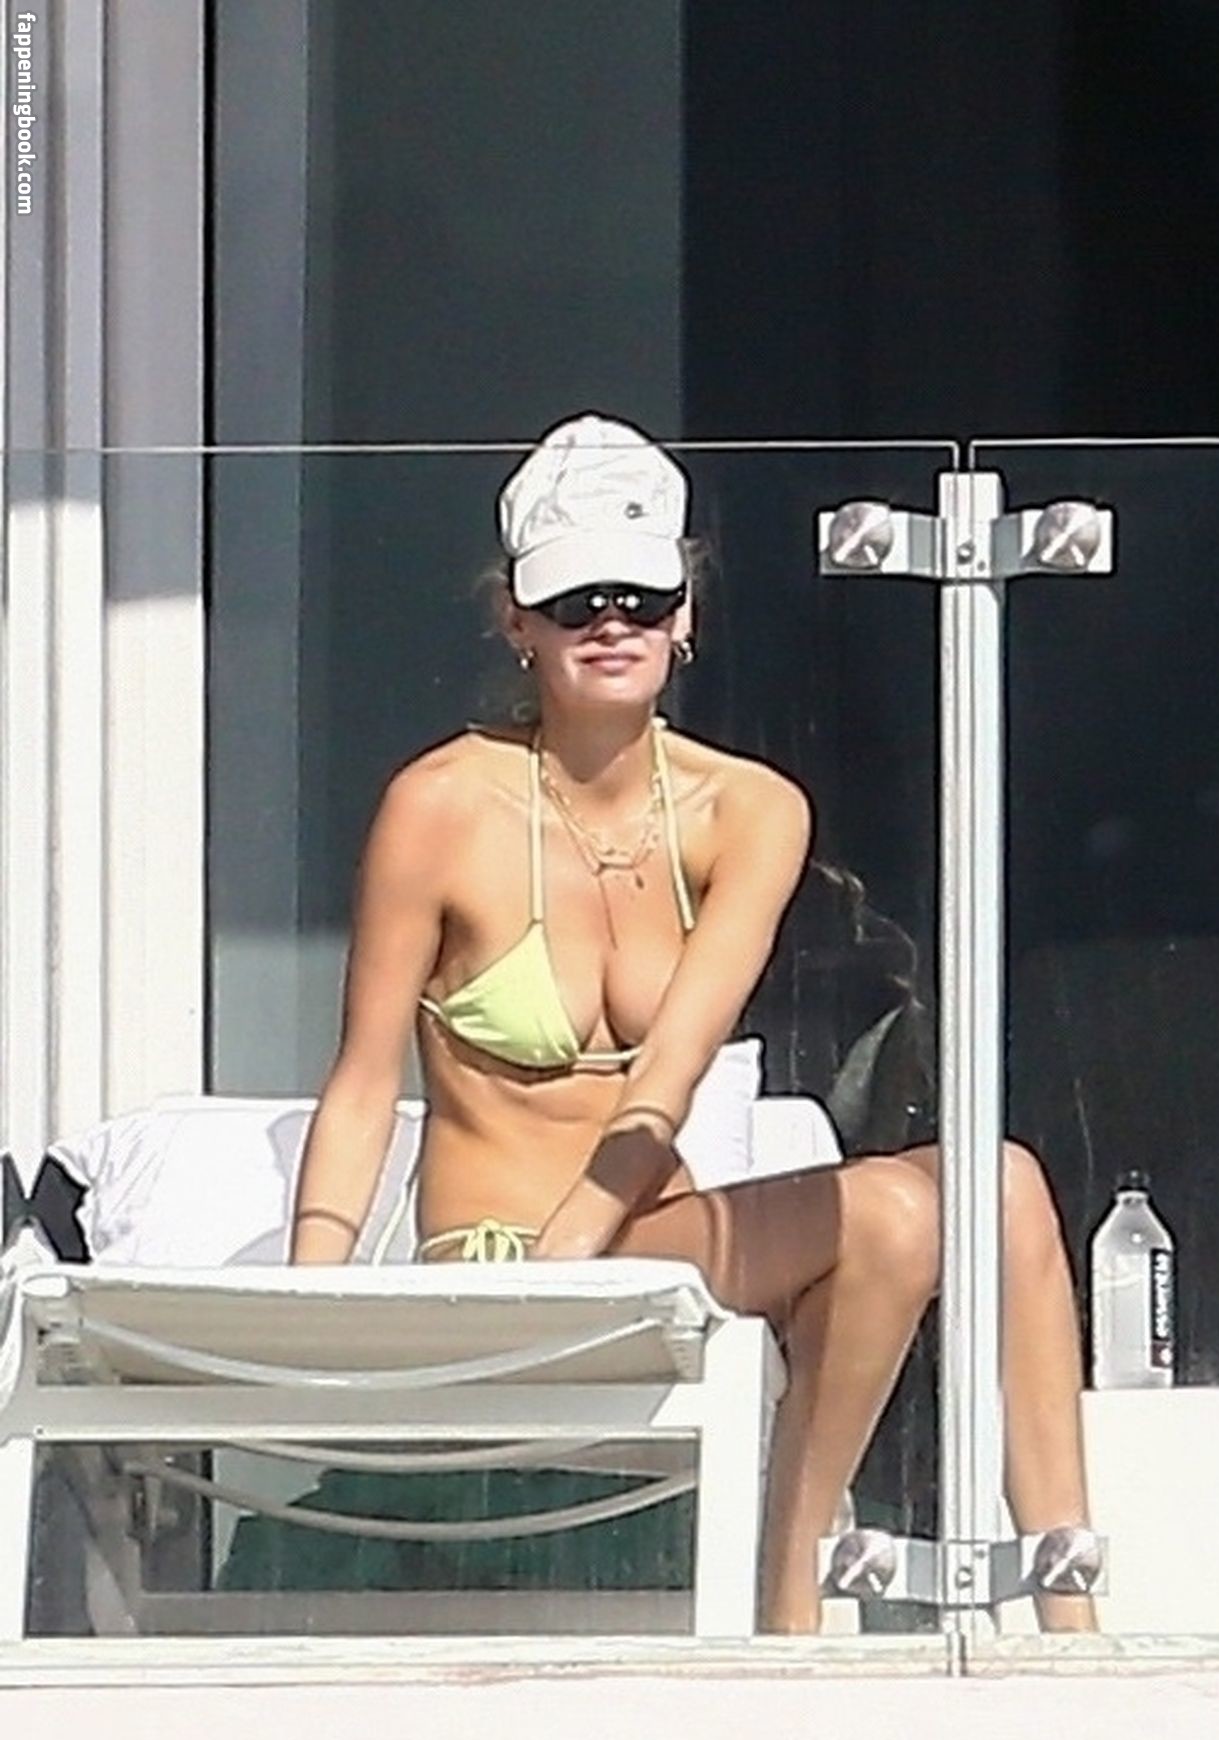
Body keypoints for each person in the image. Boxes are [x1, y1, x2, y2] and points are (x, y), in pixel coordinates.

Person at [290, 411, 1097, 1634]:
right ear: (514, 621)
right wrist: (313, 1305)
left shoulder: (748, 810)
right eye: (573, 601)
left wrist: (586, 1234)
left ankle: (1067, 1618)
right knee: (888, 1217)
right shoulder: (440, 805)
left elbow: (674, 1060)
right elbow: (360, 1080)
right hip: (503, 1262)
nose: (610, 623)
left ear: (686, 616)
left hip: (643, 1240)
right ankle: (792, 1600)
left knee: (1002, 1183)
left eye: (640, 595)